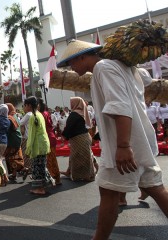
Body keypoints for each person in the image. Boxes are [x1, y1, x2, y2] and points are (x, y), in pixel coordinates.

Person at [57, 39, 168, 240]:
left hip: (126, 144)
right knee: (154, 189)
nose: (71, 68)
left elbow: (120, 105)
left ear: (82, 56)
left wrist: (123, 146)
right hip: (141, 141)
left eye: (71, 62)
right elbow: (146, 79)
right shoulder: (123, 66)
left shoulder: (102, 67)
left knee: (109, 193)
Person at [61, 97, 95, 182]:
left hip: (78, 138)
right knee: (77, 155)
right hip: (84, 137)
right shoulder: (82, 112)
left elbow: (69, 127)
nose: (70, 104)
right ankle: (69, 172)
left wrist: (64, 136)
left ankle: (87, 176)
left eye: (72, 102)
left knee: (80, 157)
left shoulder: (74, 114)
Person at [25, 97, 55, 195]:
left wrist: (28, 150)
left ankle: (40, 189)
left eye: (25, 105)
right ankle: (45, 184)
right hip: (43, 143)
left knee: (37, 167)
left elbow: (31, 135)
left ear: (29, 105)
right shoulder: (39, 114)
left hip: (38, 145)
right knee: (41, 166)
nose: (24, 108)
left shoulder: (33, 117)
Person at [38, 98, 61, 185]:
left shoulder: (41, 115)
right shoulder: (46, 113)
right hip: (51, 137)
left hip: (46, 138)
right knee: (52, 159)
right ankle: (55, 177)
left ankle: (52, 177)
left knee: (49, 160)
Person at [4, 103, 28, 181]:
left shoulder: (9, 117)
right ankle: (14, 175)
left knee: (11, 158)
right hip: (17, 139)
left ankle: (23, 169)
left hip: (12, 140)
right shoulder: (15, 116)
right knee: (15, 157)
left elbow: (6, 129)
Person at [20, 103, 33, 173]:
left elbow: (20, 123)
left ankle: (27, 167)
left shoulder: (28, 114)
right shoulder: (33, 114)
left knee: (25, 153)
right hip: (30, 136)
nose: (23, 108)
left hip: (26, 136)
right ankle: (30, 167)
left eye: (24, 107)